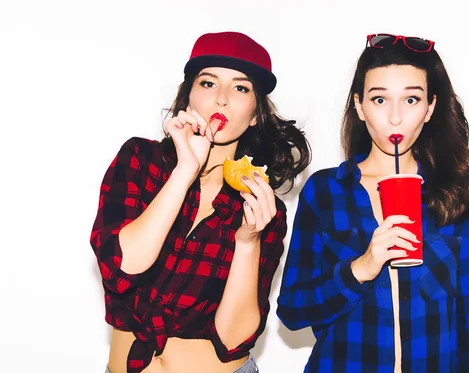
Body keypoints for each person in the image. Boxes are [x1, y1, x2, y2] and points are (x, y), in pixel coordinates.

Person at [90, 31, 311, 373]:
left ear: (255, 114)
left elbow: (232, 339)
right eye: (208, 83)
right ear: (189, 96)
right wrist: (184, 172)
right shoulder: (141, 159)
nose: (221, 99)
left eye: (240, 88)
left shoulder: (261, 204)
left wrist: (248, 240)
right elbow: (122, 268)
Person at [276, 33, 469, 372]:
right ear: (360, 107)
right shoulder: (325, 191)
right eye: (379, 100)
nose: (395, 118)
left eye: (411, 100)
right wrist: (361, 267)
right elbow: (292, 311)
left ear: (430, 108)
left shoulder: (454, 186)